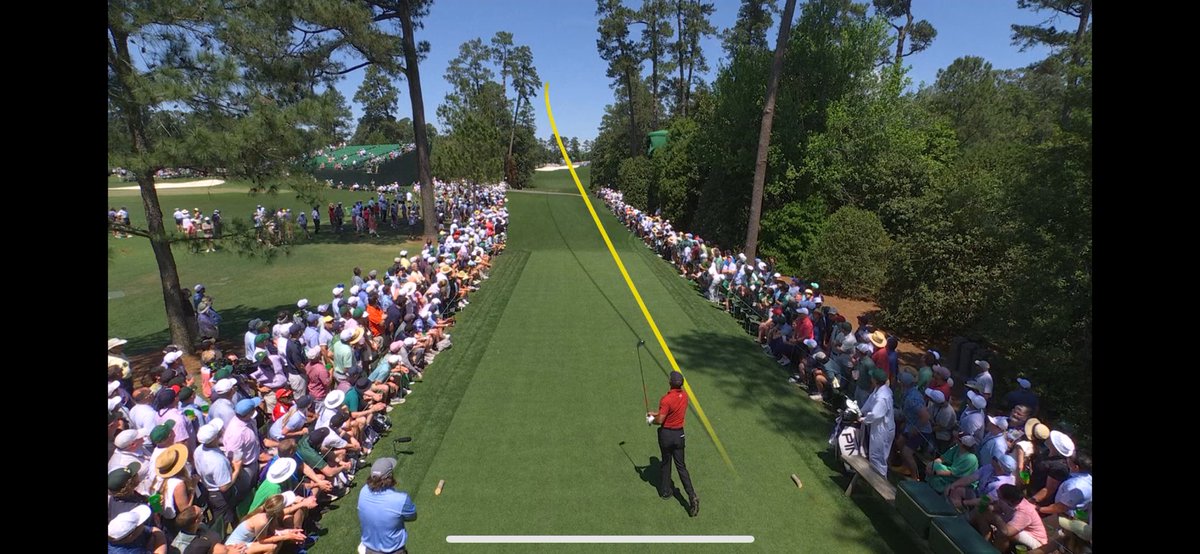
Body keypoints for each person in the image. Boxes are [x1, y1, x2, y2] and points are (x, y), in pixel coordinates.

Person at [647, 371, 700, 517]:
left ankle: (666, 491)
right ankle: (692, 495)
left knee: (665, 462)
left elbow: (661, 420)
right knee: (681, 467)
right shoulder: (684, 396)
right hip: (679, 435)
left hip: (666, 435)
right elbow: (670, 412)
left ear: (670, 383)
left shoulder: (666, 399)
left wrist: (652, 419)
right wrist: (656, 413)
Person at [358, 458, 418, 554]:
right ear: (390, 476)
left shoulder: (363, 491)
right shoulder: (401, 499)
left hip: (369, 550)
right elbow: (412, 516)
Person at [979, 484, 1048, 552]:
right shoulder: (1009, 502)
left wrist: (997, 518)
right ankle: (983, 543)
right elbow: (997, 508)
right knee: (985, 515)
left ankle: (994, 551)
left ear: (1009, 501)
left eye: (999, 495)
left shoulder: (1024, 512)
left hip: (1036, 540)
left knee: (1003, 533)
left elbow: (1007, 532)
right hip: (1019, 530)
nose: (997, 496)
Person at [860, 366, 895, 478]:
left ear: (875, 380)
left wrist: (863, 419)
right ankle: (873, 480)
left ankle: (880, 484)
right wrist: (860, 412)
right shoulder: (878, 390)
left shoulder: (882, 397)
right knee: (874, 455)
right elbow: (870, 402)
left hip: (883, 430)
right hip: (879, 427)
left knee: (878, 457)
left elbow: (875, 414)